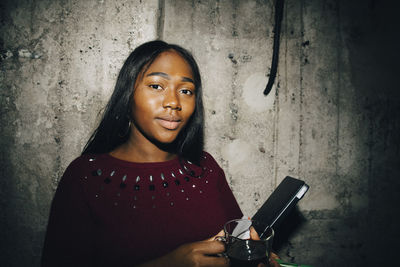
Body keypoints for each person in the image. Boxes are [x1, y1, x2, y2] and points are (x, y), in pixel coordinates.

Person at [41, 40, 279, 267]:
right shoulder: (85, 176)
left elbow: (235, 244)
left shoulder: (205, 168)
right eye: (156, 86)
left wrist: (252, 257)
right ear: (128, 93)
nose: (174, 102)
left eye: (186, 91)